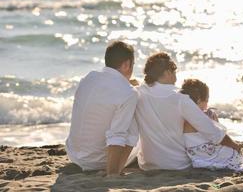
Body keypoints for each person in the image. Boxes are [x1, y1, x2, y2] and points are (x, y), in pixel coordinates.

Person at [135, 52, 230, 170]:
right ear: (167, 73)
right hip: (177, 164)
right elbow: (210, 129)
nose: (176, 77)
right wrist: (234, 145)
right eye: (174, 72)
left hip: (148, 164)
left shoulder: (137, 93)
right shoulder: (180, 98)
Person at [65, 41, 138, 176]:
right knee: (136, 115)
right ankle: (115, 170)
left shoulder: (88, 78)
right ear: (127, 64)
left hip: (75, 156)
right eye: (132, 65)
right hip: (98, 162)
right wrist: (112, 173)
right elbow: (117, 135)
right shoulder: (129, 92)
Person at [181, 79, 243, 172]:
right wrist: (235, 145)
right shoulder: (198, 117)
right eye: (206, 101)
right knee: (235, 154)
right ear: (199, 100)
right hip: (206, 153)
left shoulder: (182, 115)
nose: (207, 105)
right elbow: (219, 137)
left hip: (194, 155)